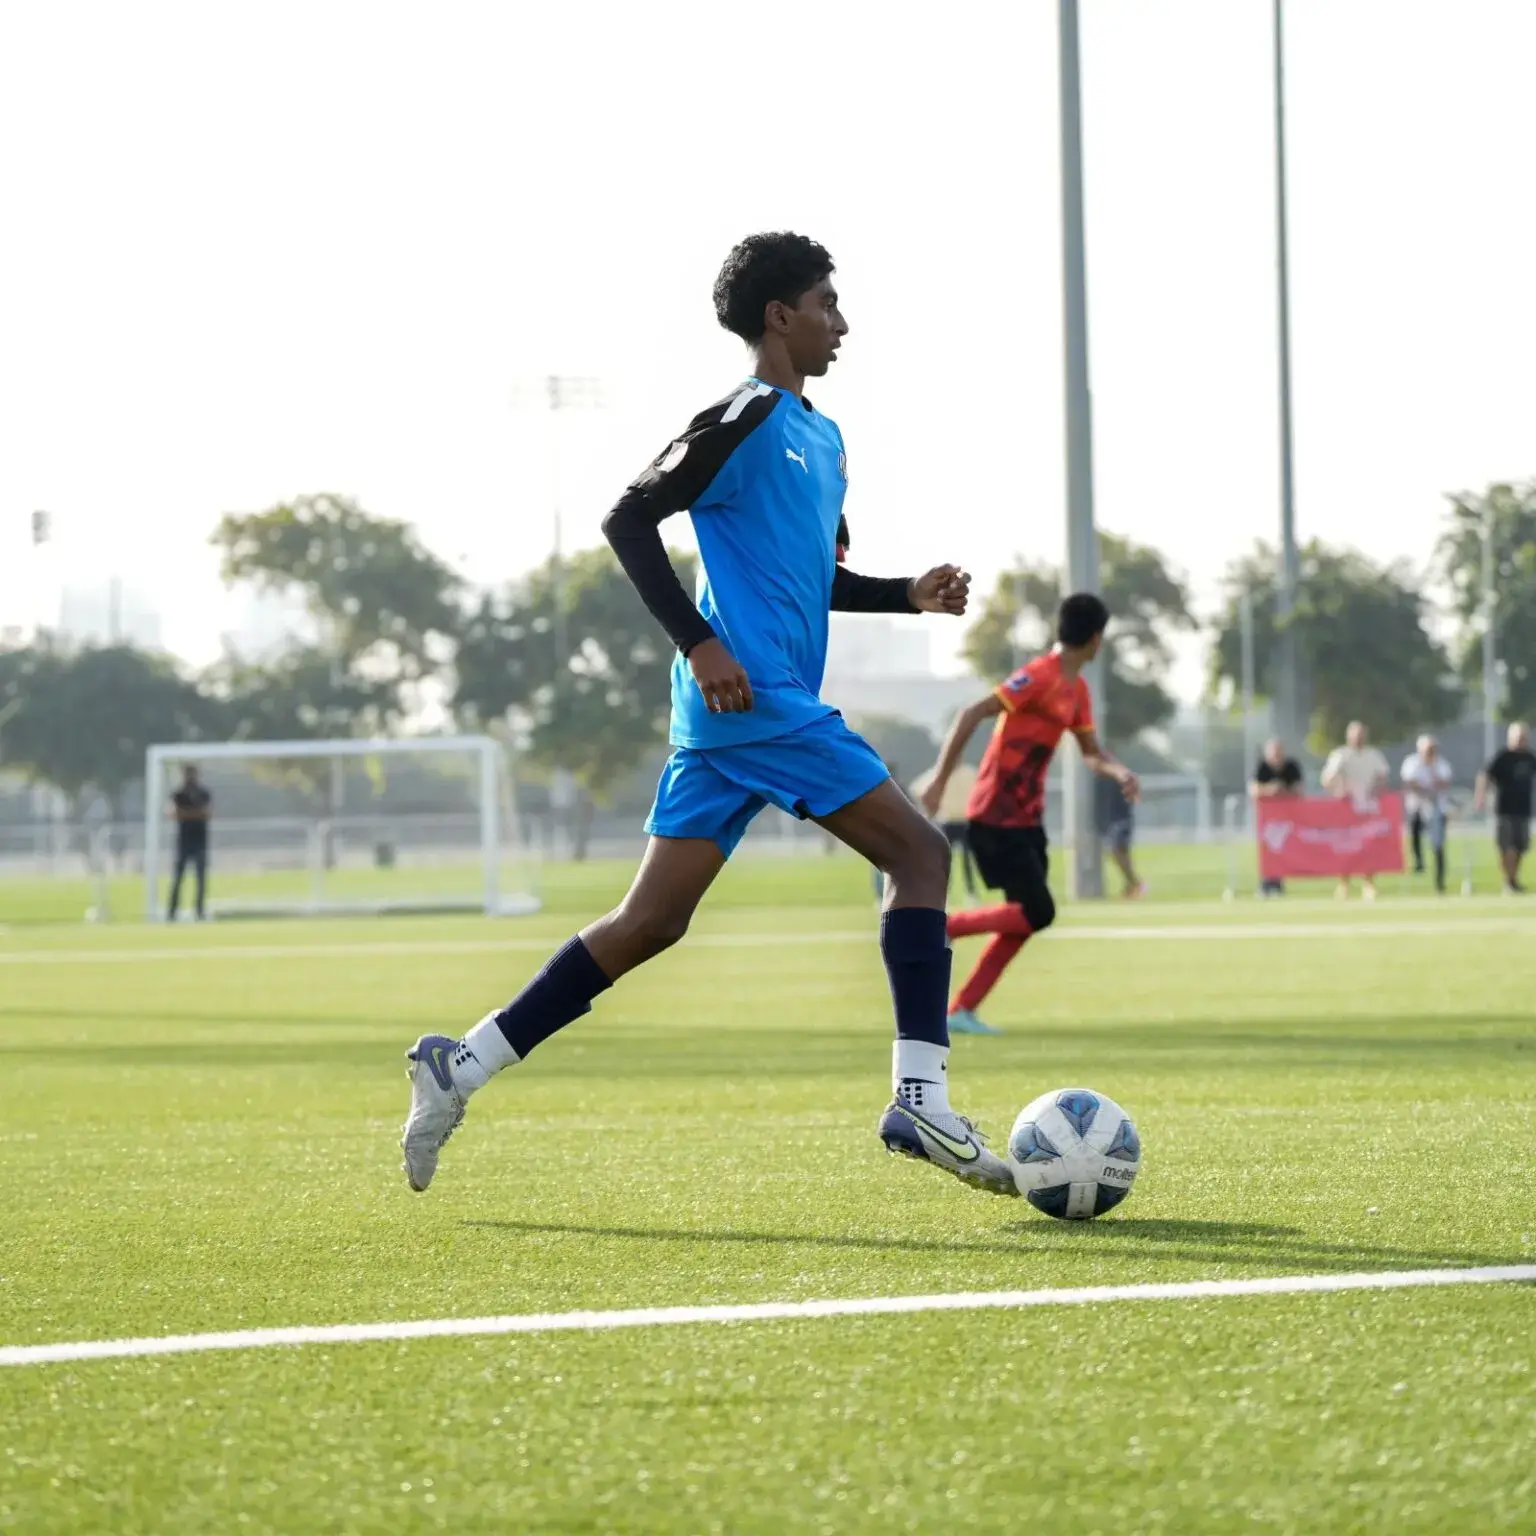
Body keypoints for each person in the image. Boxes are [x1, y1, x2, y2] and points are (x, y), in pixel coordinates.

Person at [401, 232, 1017, 1199]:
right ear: (780, 316)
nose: (841, 323)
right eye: (826, 304)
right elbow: (628, 517)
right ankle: (920, 1096)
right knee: (923, 856)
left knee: (649, 923)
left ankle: (460, 1063)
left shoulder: (824, 437)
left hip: (733, 714)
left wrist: (908, 594)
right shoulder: (744, 415)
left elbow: (810, 579)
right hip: (753, 698)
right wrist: (699, 640)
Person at [917, 595, 1139, 1037]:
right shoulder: (1038, 677)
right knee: (1038, 911)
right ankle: (940, 928)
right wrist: (940, 781)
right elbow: (972, 713)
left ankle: (961, 1009)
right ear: (1096, 639)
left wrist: (1118, 771)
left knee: (1028, 916)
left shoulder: (1077, 692)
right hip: (995, 815)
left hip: (1027, 821)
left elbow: (1091, 754)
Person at [1321, 721, 1389, 900]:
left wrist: (1375, 790)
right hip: (1346, 809)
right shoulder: (1341, 755)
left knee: (1369, 846)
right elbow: (1328, 778)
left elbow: (1382, 776)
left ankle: (1369, 884)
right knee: (1346, 846)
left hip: (1367, 807)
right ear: (1348, 736)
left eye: (1361, 735)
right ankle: (1344, 884)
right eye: (1355, 735)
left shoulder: (1373, 755)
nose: (1358, 738)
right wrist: (1340, 789)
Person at [1475, 722, 1536, 894]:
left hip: (1524, 809)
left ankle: (1513, 879)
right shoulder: (1502, 757)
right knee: (1507, 847)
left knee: (1521, 847)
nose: (1522, 741)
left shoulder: (1530, 758)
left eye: (1524, 737)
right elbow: (1485, 774)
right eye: (1519, 737)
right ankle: (1509, 882)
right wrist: (1481, 796)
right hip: (1505, 809)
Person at [909, 761, 980, 902]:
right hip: (947, 821)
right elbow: (916, 788)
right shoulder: (940, 772)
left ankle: (971, 893)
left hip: (966, 821)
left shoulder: (970, 772)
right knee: (945, 861)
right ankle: (944, 894)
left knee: (968, 861)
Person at [1400, 734, 1453, 893]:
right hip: (1417, 806)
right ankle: (1418, 862)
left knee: (1438, 845)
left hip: (1436, 808)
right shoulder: (1412, 763)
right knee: (1414, 832)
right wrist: (1425, 788)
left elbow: (1444, 781)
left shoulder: (1441, 764)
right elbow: (1410, 782)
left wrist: (1429, 784)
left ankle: (1440, 881)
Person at [1250, 739, 1303, 896]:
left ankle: (1278, 881)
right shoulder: (1262, 768)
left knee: (1284, 848)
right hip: (1267, 820)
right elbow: (1254, 790)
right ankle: (1267, 882)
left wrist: (1283, 793)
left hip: (1288, 818)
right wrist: (1270, 790)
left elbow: (1299, 790)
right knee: (1268, 849)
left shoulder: (1291, 767)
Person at [167, 764, 212, 921]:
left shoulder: (204, 794)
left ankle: (199, 911)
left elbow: (207, 813)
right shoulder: (178, 795)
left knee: (201, 879)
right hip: (184, 842)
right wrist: (195, 814)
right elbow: (173, 813)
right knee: (178, 878)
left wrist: (187, 814)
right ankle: (172, 912)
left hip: (200, 842)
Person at [1096, 770, 1144, 899]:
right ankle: (1131, 886)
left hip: (1120, 817)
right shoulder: (1100, 777)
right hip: (1112, 818)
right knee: (1120, 850)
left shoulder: (1118, 775)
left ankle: (1135, 883)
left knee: (1116, 849)